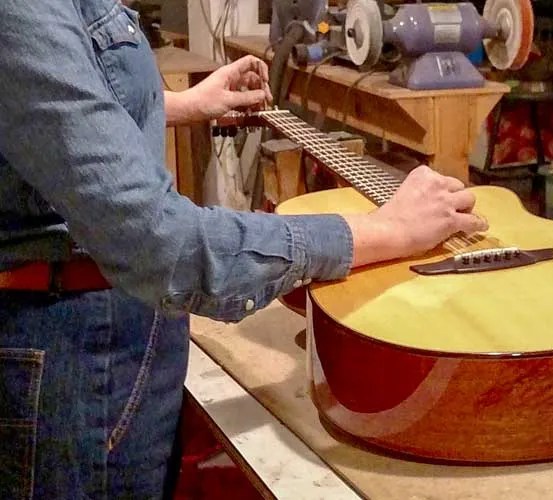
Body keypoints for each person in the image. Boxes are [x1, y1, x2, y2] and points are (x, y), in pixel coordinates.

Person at [0, 1, 488, 498]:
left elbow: (50, 105)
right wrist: (387, 231)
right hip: (73, 352)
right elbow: (161, 242)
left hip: (115, 321)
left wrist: (182, 104)